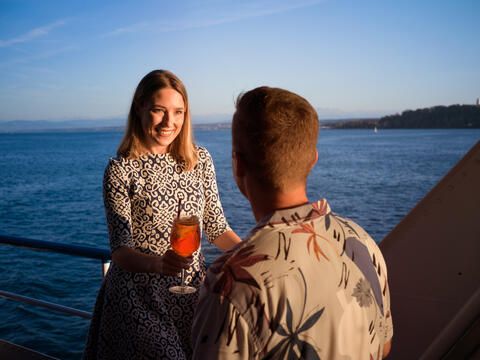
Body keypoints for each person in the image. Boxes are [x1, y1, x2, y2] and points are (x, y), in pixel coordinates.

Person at [192, 86, 393, 359]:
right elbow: (383, 345)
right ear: (313, 161)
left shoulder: (230, 283)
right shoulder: (362, 242)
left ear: (238, 165)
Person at [83, 70, 241, 360]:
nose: (170, 122)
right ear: (140, 107)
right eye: (159, 110)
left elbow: (216, 227)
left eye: (178, 112)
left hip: (190, 292)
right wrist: (159, 264)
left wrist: (254, 255)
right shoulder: (120, 169)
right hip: (138, 295)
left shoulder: (200, 159)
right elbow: (120, 251)